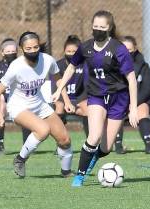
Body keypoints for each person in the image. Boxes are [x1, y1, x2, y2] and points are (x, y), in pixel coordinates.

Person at [52, 10, 138, 187]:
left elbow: (131, 79)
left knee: (106, 148)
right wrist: (59, 88)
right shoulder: (85, 47)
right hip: (97, 96)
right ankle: (80, 176)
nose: (98, 30)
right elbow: (70, 68)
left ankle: (94, 158)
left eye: (102, 27)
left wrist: (134, 108)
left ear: (109, 28)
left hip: (118, 98)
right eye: (95, 26)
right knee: (94, 136)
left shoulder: (118, 49)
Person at [0, 31, 73, 178]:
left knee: (65, 140)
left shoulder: (48, 60)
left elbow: (59, 80)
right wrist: (0, 117)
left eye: (35, 47)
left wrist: (66, 101)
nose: (33, 51)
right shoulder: (16, 67)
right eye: (28, 49)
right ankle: (20, 159)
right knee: (43, 130)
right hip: (18, 107)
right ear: (22, 49)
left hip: (40, 104)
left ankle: (66, 172)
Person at [0, 38, 31, 154]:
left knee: (25, 108)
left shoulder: (23, 65)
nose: (11, 54)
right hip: (4, 101)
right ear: (2, 53)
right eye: (8, 52)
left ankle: (26, 145)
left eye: (13, 52)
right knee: (0, 103)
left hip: (20, 100)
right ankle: (0, 144)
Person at [114, 35, 150, 154]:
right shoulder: (113, 66)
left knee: (143, 110)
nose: (127, 53)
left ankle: (148, 144)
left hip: (139, 101)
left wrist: (134, 104)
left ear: (135, 49)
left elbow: (148, 88)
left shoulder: (143, 66)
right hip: (121, 100)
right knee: (117, 110)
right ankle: (118, 145)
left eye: (130, 51)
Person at [53, 35, 88, 136]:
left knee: (87, 110)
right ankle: (61, 142)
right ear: (64, 51)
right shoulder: (58, 65)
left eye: (74, 52)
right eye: (68, 52)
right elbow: (58, 87)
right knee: (59, 107)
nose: (71, 54)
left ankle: (91, 143)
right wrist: (67, 102)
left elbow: (87, 87)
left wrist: (81, 101)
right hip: (62, 97)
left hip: (79, 98)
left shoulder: (85, 64)